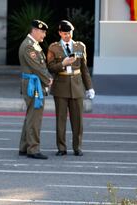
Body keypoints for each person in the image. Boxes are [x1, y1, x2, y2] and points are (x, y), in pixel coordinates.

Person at [47, 20, 95, 157]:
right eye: (65, 33)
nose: (67, 36)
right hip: (61, 86)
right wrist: (62, 63)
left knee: (78, 120)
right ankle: (61, 147)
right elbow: (50, 68)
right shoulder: (54, 48)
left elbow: (84, 69)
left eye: (69, 33)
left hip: (77, 86)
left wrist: (89, 87)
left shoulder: (80, 46)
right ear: (60, 33)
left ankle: (77, 147)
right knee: (61, 119)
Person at [18, 20, 53, 160]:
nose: (44, 34)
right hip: (33, 85)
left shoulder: (34, 45)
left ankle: (24, 146)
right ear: (35, 30)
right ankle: (33, 149)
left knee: (31, 116)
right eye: (42, 31)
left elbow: (40, 66)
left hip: (34, 83)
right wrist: (48, 79)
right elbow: (37, 68)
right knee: (35, 118)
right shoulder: (29, 46)